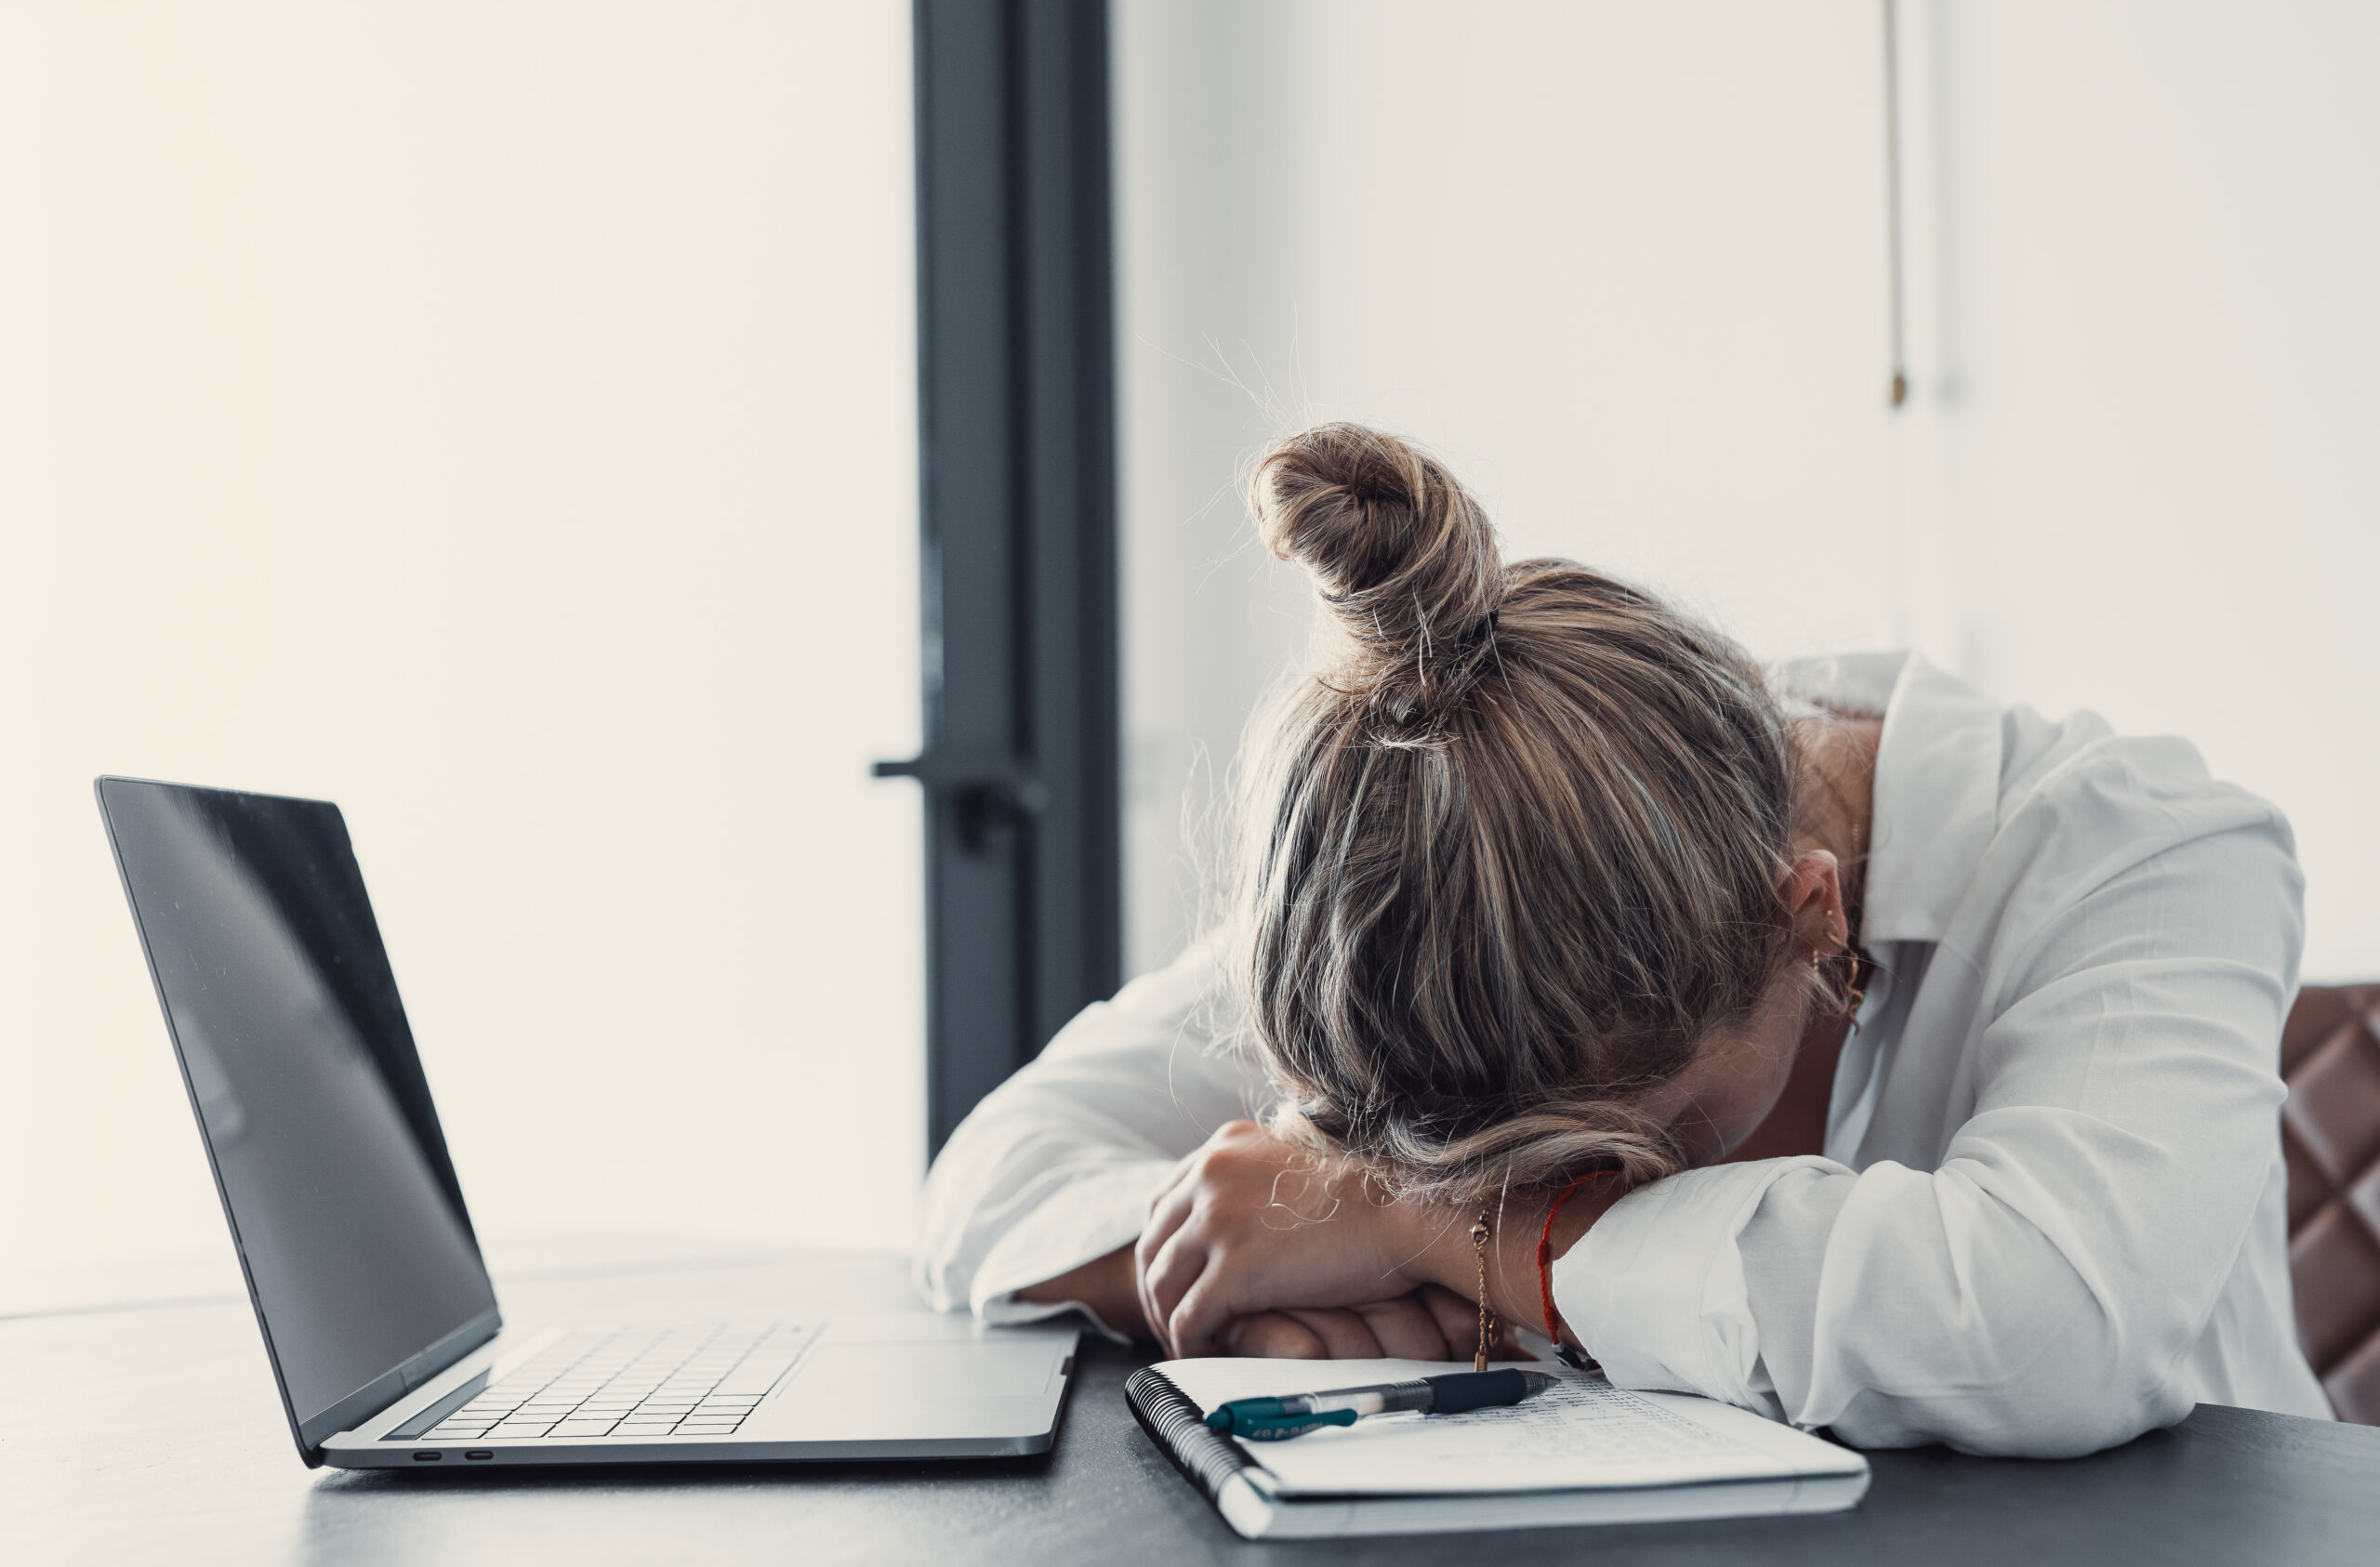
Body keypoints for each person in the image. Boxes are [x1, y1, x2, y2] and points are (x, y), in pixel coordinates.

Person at [914, 422, 2333, 1457]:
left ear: (1806, 914)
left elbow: (2041, 1324)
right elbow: (993, 1175)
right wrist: (1277, 1257)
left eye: (1613, 1158)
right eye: (1481, 1173)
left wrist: (1409, 1220)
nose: (1536, 1199)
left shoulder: (2147, 850)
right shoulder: (1467, 849)